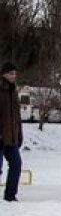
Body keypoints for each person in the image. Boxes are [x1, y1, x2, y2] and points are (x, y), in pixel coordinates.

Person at [0, 62, 23, 202]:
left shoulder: (14, 92)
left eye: (14, 73)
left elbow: (17, 117)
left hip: (11, 138)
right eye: (10, 73)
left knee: (16, 165)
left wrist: (19, 134)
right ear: (3, 74)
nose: (13, 76)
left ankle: (10, 195)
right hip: (0, 137)